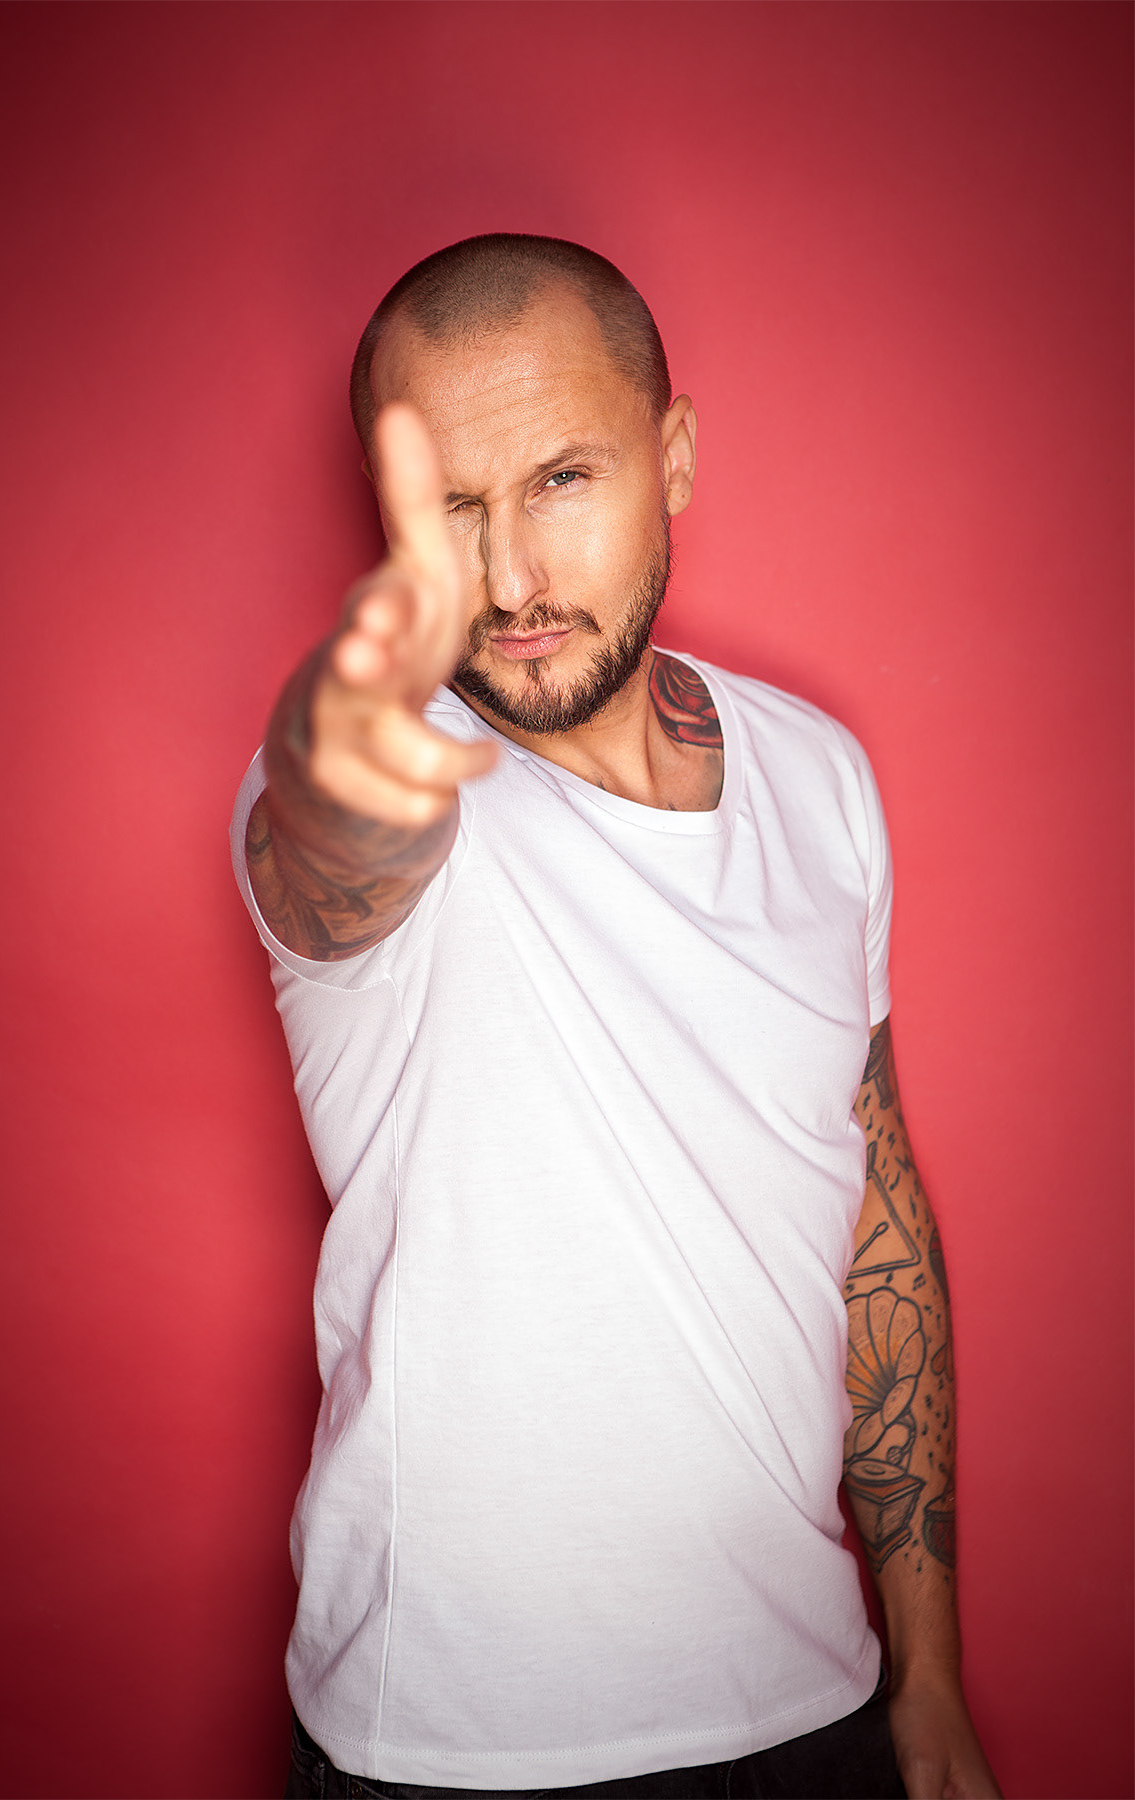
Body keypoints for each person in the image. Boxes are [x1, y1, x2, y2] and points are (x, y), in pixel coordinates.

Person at [231, 235, 1001, 1800]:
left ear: (676, 456)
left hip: (818, 1708)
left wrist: (927, 1672)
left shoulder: (821, 780)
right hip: (448, 1750)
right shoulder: (383, 781)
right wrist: (334, 752)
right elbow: (327, 855)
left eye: (562, 480)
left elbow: (872, 1211)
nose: (512, 578)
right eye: (454, 508)